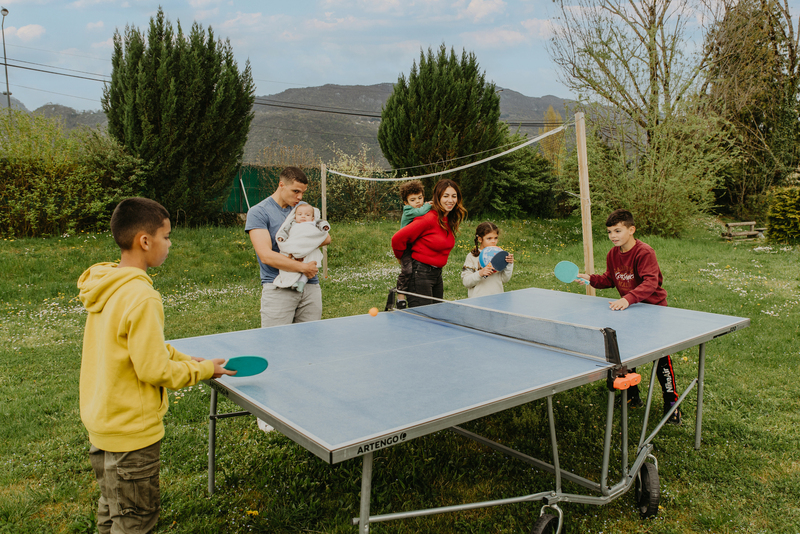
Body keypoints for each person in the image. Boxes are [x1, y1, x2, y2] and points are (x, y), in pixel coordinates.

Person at [77, 197, 234, 533]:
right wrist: (206, 370)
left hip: (104, 427)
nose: (169, 244)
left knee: (110, 513)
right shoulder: (142, 296)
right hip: (132, 437)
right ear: (144, 241)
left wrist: (180, 356)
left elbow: (129, 346)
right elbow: (154, 372)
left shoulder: (106, 284)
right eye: (166, 236)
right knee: (136, 522)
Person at [576, 209, 681, 424]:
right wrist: (590, 279)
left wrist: (628, 298)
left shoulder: (645, 252)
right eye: (609, 232)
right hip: (629, 310)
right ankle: (632, 395)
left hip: (653, 311)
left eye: (617, 230)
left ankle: (671, 402)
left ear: (631, 230)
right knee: (624, 354)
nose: (613, 235)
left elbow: (651, 283)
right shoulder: (613, 254)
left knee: (660, 358)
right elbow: (609, 279)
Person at [245, 166, 332, 327]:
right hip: (278, 287)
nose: (300, 197)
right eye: (295, 191)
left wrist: (298, 247)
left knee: (309, 343)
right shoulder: (259, 212)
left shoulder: (303, 209)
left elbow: (326, 238)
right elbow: (266, 255)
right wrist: (303, 267)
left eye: (303, 193)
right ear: (281, 185)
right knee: (276, 345)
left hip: (310, 286)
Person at [391, 178, 467, 308]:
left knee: (436, 316)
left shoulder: (447, 219)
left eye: (454, 196)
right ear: (438, 197)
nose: (450, 200)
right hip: (420, 274)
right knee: (423, 320)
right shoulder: (429, 218)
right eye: (446, 196)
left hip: (437, 274)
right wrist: (400, 257)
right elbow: (397, 238)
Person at [273, 202, 331, 293]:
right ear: (295, 216)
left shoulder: (313, 223)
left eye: (307, 215)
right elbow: (285, 230)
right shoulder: (293, 224)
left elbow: (321, 224)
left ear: (312, 218)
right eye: (300, 214)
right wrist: (282, 237)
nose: (303, 216)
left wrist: (325, 227)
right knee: (292, 266)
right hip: (294, 247)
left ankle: (302, 283)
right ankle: (292, 282)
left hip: (309, 250)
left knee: (310, 265)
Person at [394, 180, 432, 308]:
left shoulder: (419, 207)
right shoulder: (409, 210)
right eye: (413, 199)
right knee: (407, 270)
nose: (418, 202)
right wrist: (428, 205)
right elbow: (420, 213)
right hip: (405, 246)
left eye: (420, 198)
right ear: (406, 202)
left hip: (414, 245)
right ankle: (400, 296)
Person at [461, 221, 515, 297]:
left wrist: (509, 264)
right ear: (480, 239)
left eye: (495, 238)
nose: (493, 241)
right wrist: (480, 273)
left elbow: (505, 279)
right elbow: (466, 282)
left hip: (497, 299)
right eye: (489, 238)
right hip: (477, 301)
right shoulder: (472, 257)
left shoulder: (500, 255)